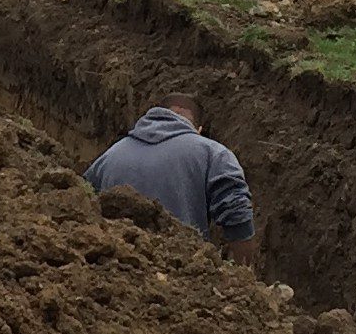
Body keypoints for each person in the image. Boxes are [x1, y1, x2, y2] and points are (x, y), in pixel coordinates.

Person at [83, 94, 258, 265]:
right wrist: (243, 273)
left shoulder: (108, 157)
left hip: (116, 271)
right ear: (198, 130)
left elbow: (81, 204)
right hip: (181, 273)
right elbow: (236, 210)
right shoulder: (213, 153)